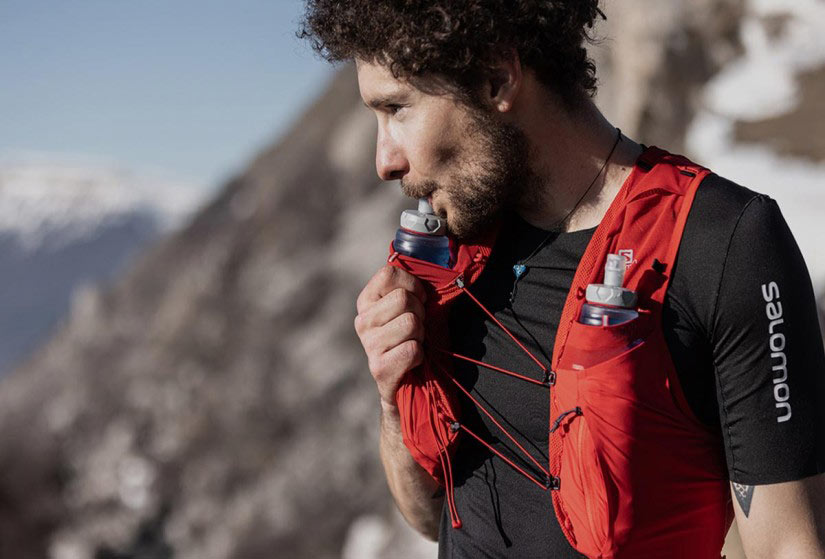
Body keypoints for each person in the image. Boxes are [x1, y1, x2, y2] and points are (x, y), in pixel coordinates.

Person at [300, 1, 825, 557]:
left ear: (497, 77)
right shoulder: (453, 253)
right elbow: (431, 517)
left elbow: (789, 547)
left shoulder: (723, 242)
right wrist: (392, 396)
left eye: (397, 109)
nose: (384, 160)